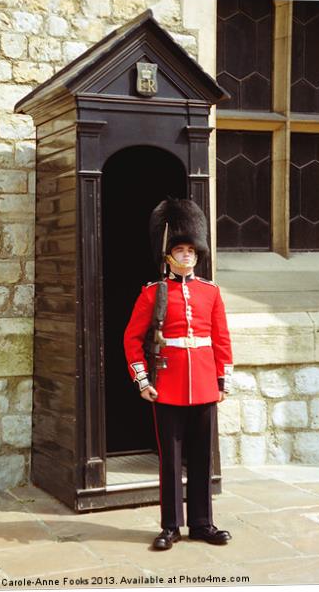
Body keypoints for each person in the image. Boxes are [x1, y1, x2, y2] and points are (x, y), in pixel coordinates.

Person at [123, 197, 233, 550]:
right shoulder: (152, 293)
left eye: (191, 250)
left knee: (201, 458)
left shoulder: (210, 292)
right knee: (170, 461)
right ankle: (170, 526)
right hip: (166, 385)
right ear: (167, 255)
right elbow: (132, 339)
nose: (186, 256)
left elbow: (220, 338)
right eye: (180, 250)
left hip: (203, 383)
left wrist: (222, 380)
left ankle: (202, 523)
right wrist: (142, 381)